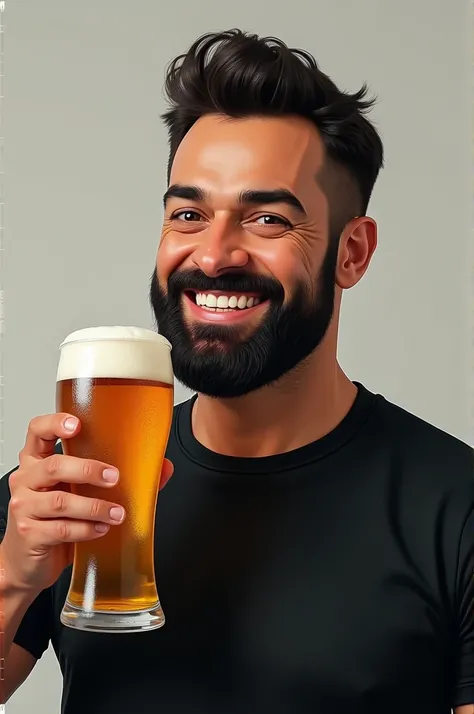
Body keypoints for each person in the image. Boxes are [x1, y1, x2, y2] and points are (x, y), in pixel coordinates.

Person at [0, 28, 473, 714]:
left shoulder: (454, 509)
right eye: (188, 214)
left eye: (268, 219)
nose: (214, 254)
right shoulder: (63, 494)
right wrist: (14, 577)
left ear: (353, 253)